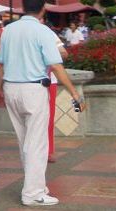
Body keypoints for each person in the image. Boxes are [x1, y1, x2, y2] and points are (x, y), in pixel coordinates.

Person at [0, 0, 86, 207]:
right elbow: (55, 65)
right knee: (37, 143)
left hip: (11, 88)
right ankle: (33, 192)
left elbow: (1, 63)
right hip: (33, 90)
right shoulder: (42, 31)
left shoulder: (7, 31)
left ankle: (35, 185)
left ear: (23, 6)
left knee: (25, 141)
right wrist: (74, 92)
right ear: (43, 8)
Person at [47, 31, 68, 164]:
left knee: (47, 117)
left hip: (46, 81)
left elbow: (64, 53)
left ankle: (47, 150)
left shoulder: (48, 33)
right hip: (37, 81)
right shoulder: (47, 33)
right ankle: (42, 151)